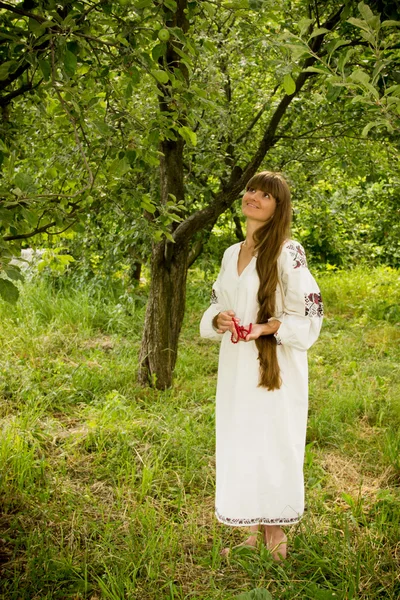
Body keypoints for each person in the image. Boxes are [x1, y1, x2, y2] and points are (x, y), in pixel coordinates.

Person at [200, 171, 323, 561]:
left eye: (265, 194)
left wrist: (264, 328)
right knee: (242, 442)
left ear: (278, 207)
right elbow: (221, 300)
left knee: (274, 445)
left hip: (275, 368)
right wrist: (219, 319)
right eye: (251, 189)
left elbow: (311, 311)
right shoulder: (230, 252)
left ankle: (277, 540)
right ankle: (249, 535)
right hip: (236, 366)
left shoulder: (288, 251)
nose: (253, 196)